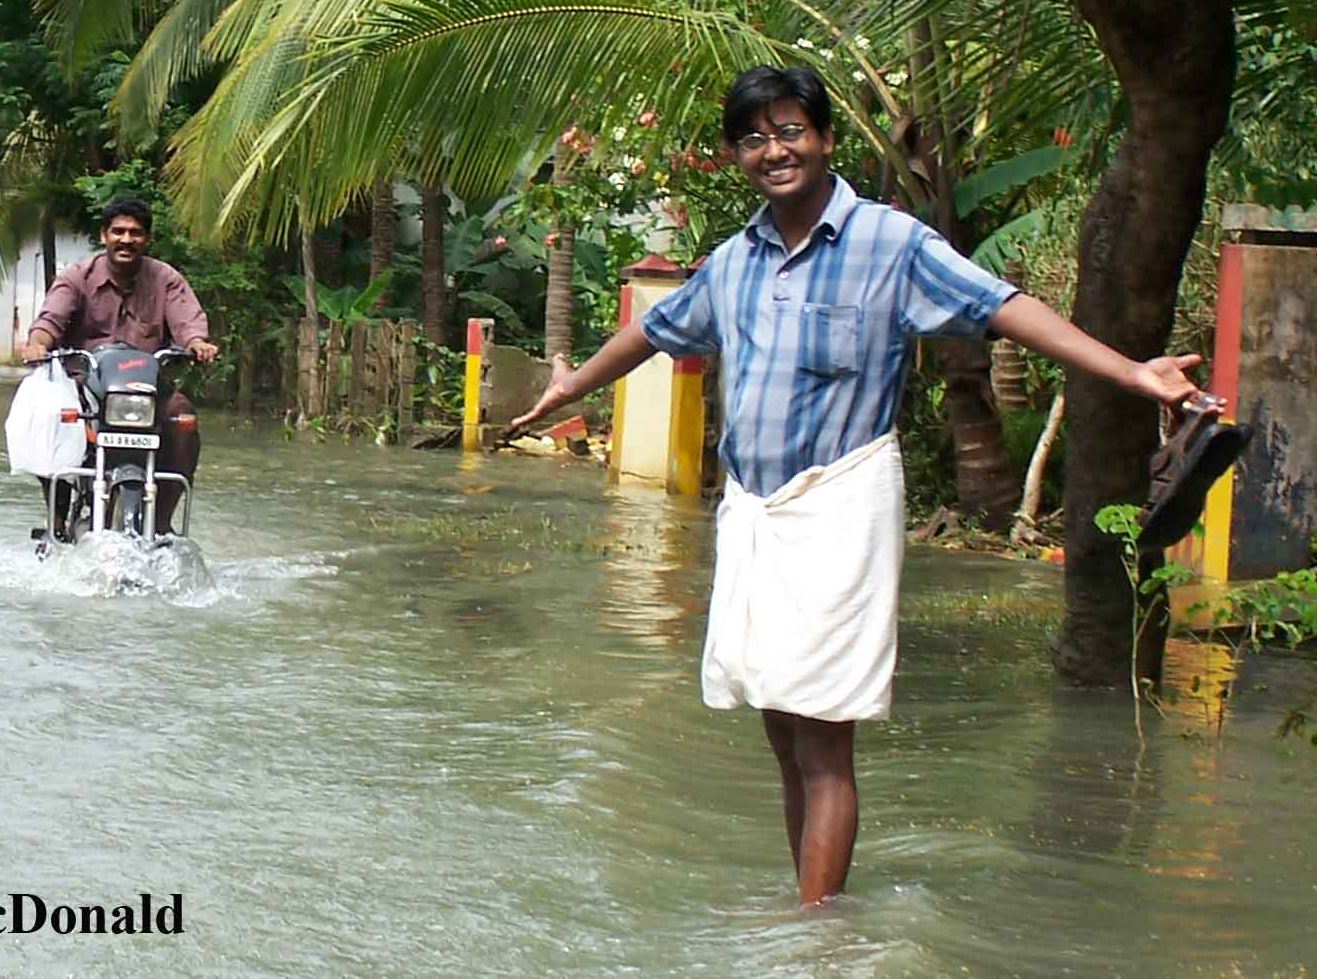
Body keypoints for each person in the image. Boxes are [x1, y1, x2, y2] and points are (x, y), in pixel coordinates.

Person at [511, 65, 1209, 909]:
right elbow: (650, 332)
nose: (775, 150)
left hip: (840, 501)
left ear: (824, 137)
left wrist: (1133, 372)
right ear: (737, 155)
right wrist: (569, 388)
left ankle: (816, 935)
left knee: (822, 737)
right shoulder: (733, 262)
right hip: (754, 513)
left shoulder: (889, 242)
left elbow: (1005, 306)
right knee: (777, 724)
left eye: (790, 129)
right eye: (755, 137)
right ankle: (807, 908)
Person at [23, 197, 219, 536]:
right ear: (104, 235)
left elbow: (188, 321)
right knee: (45, 413)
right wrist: (38, 342)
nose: (126, 239)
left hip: (147, 391)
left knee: (183, 417)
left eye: (136, 233)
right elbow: (50, 319)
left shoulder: (165, 279)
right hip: (84, 387)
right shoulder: (77, 277)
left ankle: (163, 521)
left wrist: (197, 343)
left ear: (147, 239)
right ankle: (55, 518)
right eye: (118, 231)